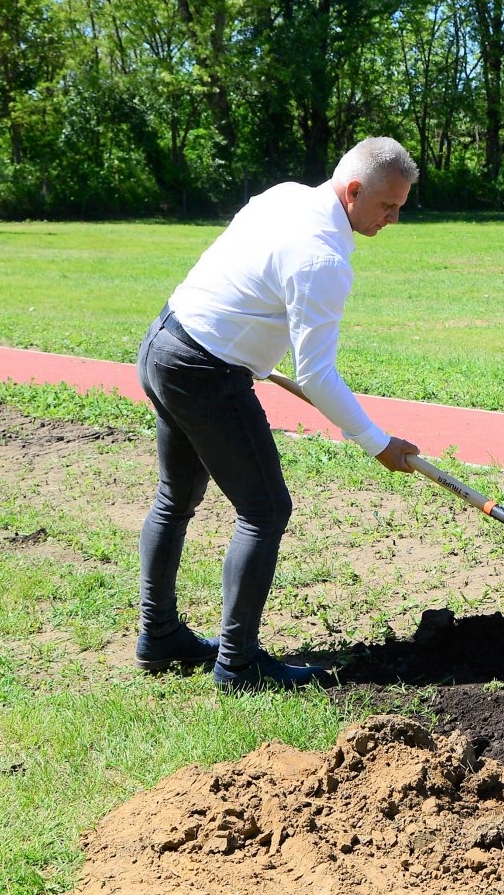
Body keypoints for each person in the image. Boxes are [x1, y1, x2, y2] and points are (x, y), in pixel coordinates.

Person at [134, 137, 422, 691]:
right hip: (203, 370)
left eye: (400, 207)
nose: (393, 219)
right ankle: (238, 665)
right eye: (388, 206)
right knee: (264, 510)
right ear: (354, 190)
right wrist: (377, 442)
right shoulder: (323, 258)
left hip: (164, 343)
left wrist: (252, 345)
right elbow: (316, 374)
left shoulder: (284, 195)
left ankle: (160, 636)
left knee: (176, 496)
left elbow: (242, 278)